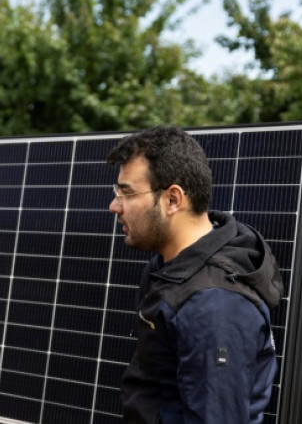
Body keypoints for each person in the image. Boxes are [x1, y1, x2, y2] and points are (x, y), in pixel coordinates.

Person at [106, 126, 282, 423]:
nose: (114, 206)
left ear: (173, 199)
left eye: (127, 193)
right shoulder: (169, 270)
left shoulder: (214, 305)